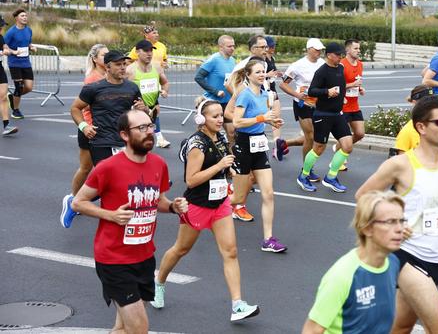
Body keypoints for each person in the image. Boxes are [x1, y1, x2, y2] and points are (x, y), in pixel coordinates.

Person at [356, 95, 438, 334]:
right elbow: (363, 197)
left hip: (437, 256)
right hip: (407, 256)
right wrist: (388, 227)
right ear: (421, 127)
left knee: (401, 326)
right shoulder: (401, 165)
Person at [71, 109, 189, 334]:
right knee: (139, 328)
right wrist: (111, 215)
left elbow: (158, 201)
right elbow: (78, 202)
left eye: (150, 126)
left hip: (144, 256)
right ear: (125, 135)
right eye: (141, 128)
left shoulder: (158, 164)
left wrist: (173, 207)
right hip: (114, 259)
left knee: (123, 328)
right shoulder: (108, 167)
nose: (149, 133)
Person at [152, 97, 260, 321]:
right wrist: (220, 166)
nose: (221, 119)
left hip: (220, 204)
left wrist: (228, 172)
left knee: (230, 252)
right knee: (181, 249)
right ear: (202, 119)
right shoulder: (196, 145)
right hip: (197, 205)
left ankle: (237, 305)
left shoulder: (219, 137)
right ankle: (159, 282)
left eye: (221, 115)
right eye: (215, 116)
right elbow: (191, 180)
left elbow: (220, 163)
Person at [302, 191, 405, 334]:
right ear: (367, 228)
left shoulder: (392, 263)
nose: (400, 229)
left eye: (401, 221)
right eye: (390, 222)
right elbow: (311, 330)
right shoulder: (342, 276)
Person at [230, 59, 287, 252]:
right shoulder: (244, 95)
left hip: (259, 144)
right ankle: (205, 205)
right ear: (248, 75)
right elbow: (237, 122)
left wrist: (273, 123)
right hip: (244, 145)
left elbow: (261, 120)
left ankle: (268, 239)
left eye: (263, 71)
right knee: (237, 198)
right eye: (258, 72)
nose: (262, 74)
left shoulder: (264, 95)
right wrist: (262, 118)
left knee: (268, 194)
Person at [70, 50, 145, 167]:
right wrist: (83, 127)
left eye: (124, 64)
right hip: (102, 142)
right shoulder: (93, 88)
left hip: (126, 141)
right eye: (118, 64)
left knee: (126, 178)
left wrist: (143, 109)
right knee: (107, 180)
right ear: (107, 67)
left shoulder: (132, 88)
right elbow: (75, 108)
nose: (123, 68)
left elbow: (142, 113)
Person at [61, 44, 108, 228]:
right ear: (95, 59)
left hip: (106, 131)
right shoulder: (92, 79)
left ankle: (77, 201)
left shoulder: (107, 76)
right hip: (90, 128)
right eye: (104, 55)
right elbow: (83, 106)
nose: (107, 57)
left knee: (102, 168)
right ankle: (74, 200)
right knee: (86, 168)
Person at [296, 41, 352, 194]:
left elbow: (340, 87)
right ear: (329, 55)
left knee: (347, 145)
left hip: (337, 114)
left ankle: (331, 177)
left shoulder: (340, 68)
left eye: (342, 54)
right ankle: (303, 176)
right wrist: (327, 92)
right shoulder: (322, 71)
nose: (340, 57)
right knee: (319, 148)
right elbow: (312, 91)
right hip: (323, 114)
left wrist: (342, 97)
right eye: (338, 55)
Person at [279, 38, 326, 180]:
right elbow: (283, 84)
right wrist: (297, 94)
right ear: (309, 49)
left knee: (316, 138)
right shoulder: (297, 65)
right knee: (310, 136)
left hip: (319, 104)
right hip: (302, 104)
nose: (319, 52)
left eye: (320, 49)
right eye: (317, 49)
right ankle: (307, 169)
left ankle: (284, 143)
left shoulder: (323, 64)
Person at [126, 40, 170, 148]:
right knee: (137, 139)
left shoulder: (157, 67)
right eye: (146, 51)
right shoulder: (130, 71)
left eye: (151, 50)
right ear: (137, 52)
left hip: (153, 106)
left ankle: (158, 140)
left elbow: (165, 82)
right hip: (136, 108)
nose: (149, 53)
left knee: (147, 139)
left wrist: (165, 91)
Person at [195, 35, 236, 141]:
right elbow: (198, 77)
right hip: (213, 103)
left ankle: (232, 156)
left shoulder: (232, 60)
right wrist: (215, 91)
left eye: (233, 46)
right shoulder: (214, 60)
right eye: (229, 46)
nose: (232, 48)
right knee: (211, 134)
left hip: (227, 102)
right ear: (221, 47)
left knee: (231, 133)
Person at [338, 39, 366, 171]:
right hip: (343, 105)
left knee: (360, 134)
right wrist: (352, 85)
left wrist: (360, 89)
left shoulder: (360, 64)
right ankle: (340, 159)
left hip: (355, 105)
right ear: (347, 50)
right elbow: (337, 86)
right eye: (355, 48)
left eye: (359, 48)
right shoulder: (341, 65)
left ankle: (339, 147)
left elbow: (357, 82)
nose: (358, 51)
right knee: (346, 136)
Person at [4, 8, 36, 119]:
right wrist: (13, 52)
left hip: (26, 63)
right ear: (17, 18)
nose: (25, 17)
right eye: (22, 16)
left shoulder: (29, 30)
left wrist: (31, 47)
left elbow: (28, 42)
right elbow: (4, 45)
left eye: (26, 16)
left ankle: (12, 97)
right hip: (14, 63)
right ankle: (15, 110)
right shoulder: (11, 32)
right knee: (19, 87)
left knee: (29, 87)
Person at [264, 36, 288, 161]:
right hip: (264, 91)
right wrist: (267, 75)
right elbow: (253, 74)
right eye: (270, 46)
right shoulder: (261, 59)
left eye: (274, 46)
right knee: (263, 118)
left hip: (273, 90)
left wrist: (277, 73)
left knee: (277, 117)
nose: (273, 48)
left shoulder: (271, 58)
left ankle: (277, 144)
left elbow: (272, 72)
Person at [393, 85, 435, 154]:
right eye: (426, 101)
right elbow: (402, 161)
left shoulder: (437, 126)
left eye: (432, 101)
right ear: (414, 102)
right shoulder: (407, 132)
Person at [0, 17, 18, 136]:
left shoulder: (0, 37)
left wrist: (8, 50)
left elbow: (4, 46)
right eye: (1, 26)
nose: (2, 28)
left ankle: (6, 125)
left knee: (3, 96)